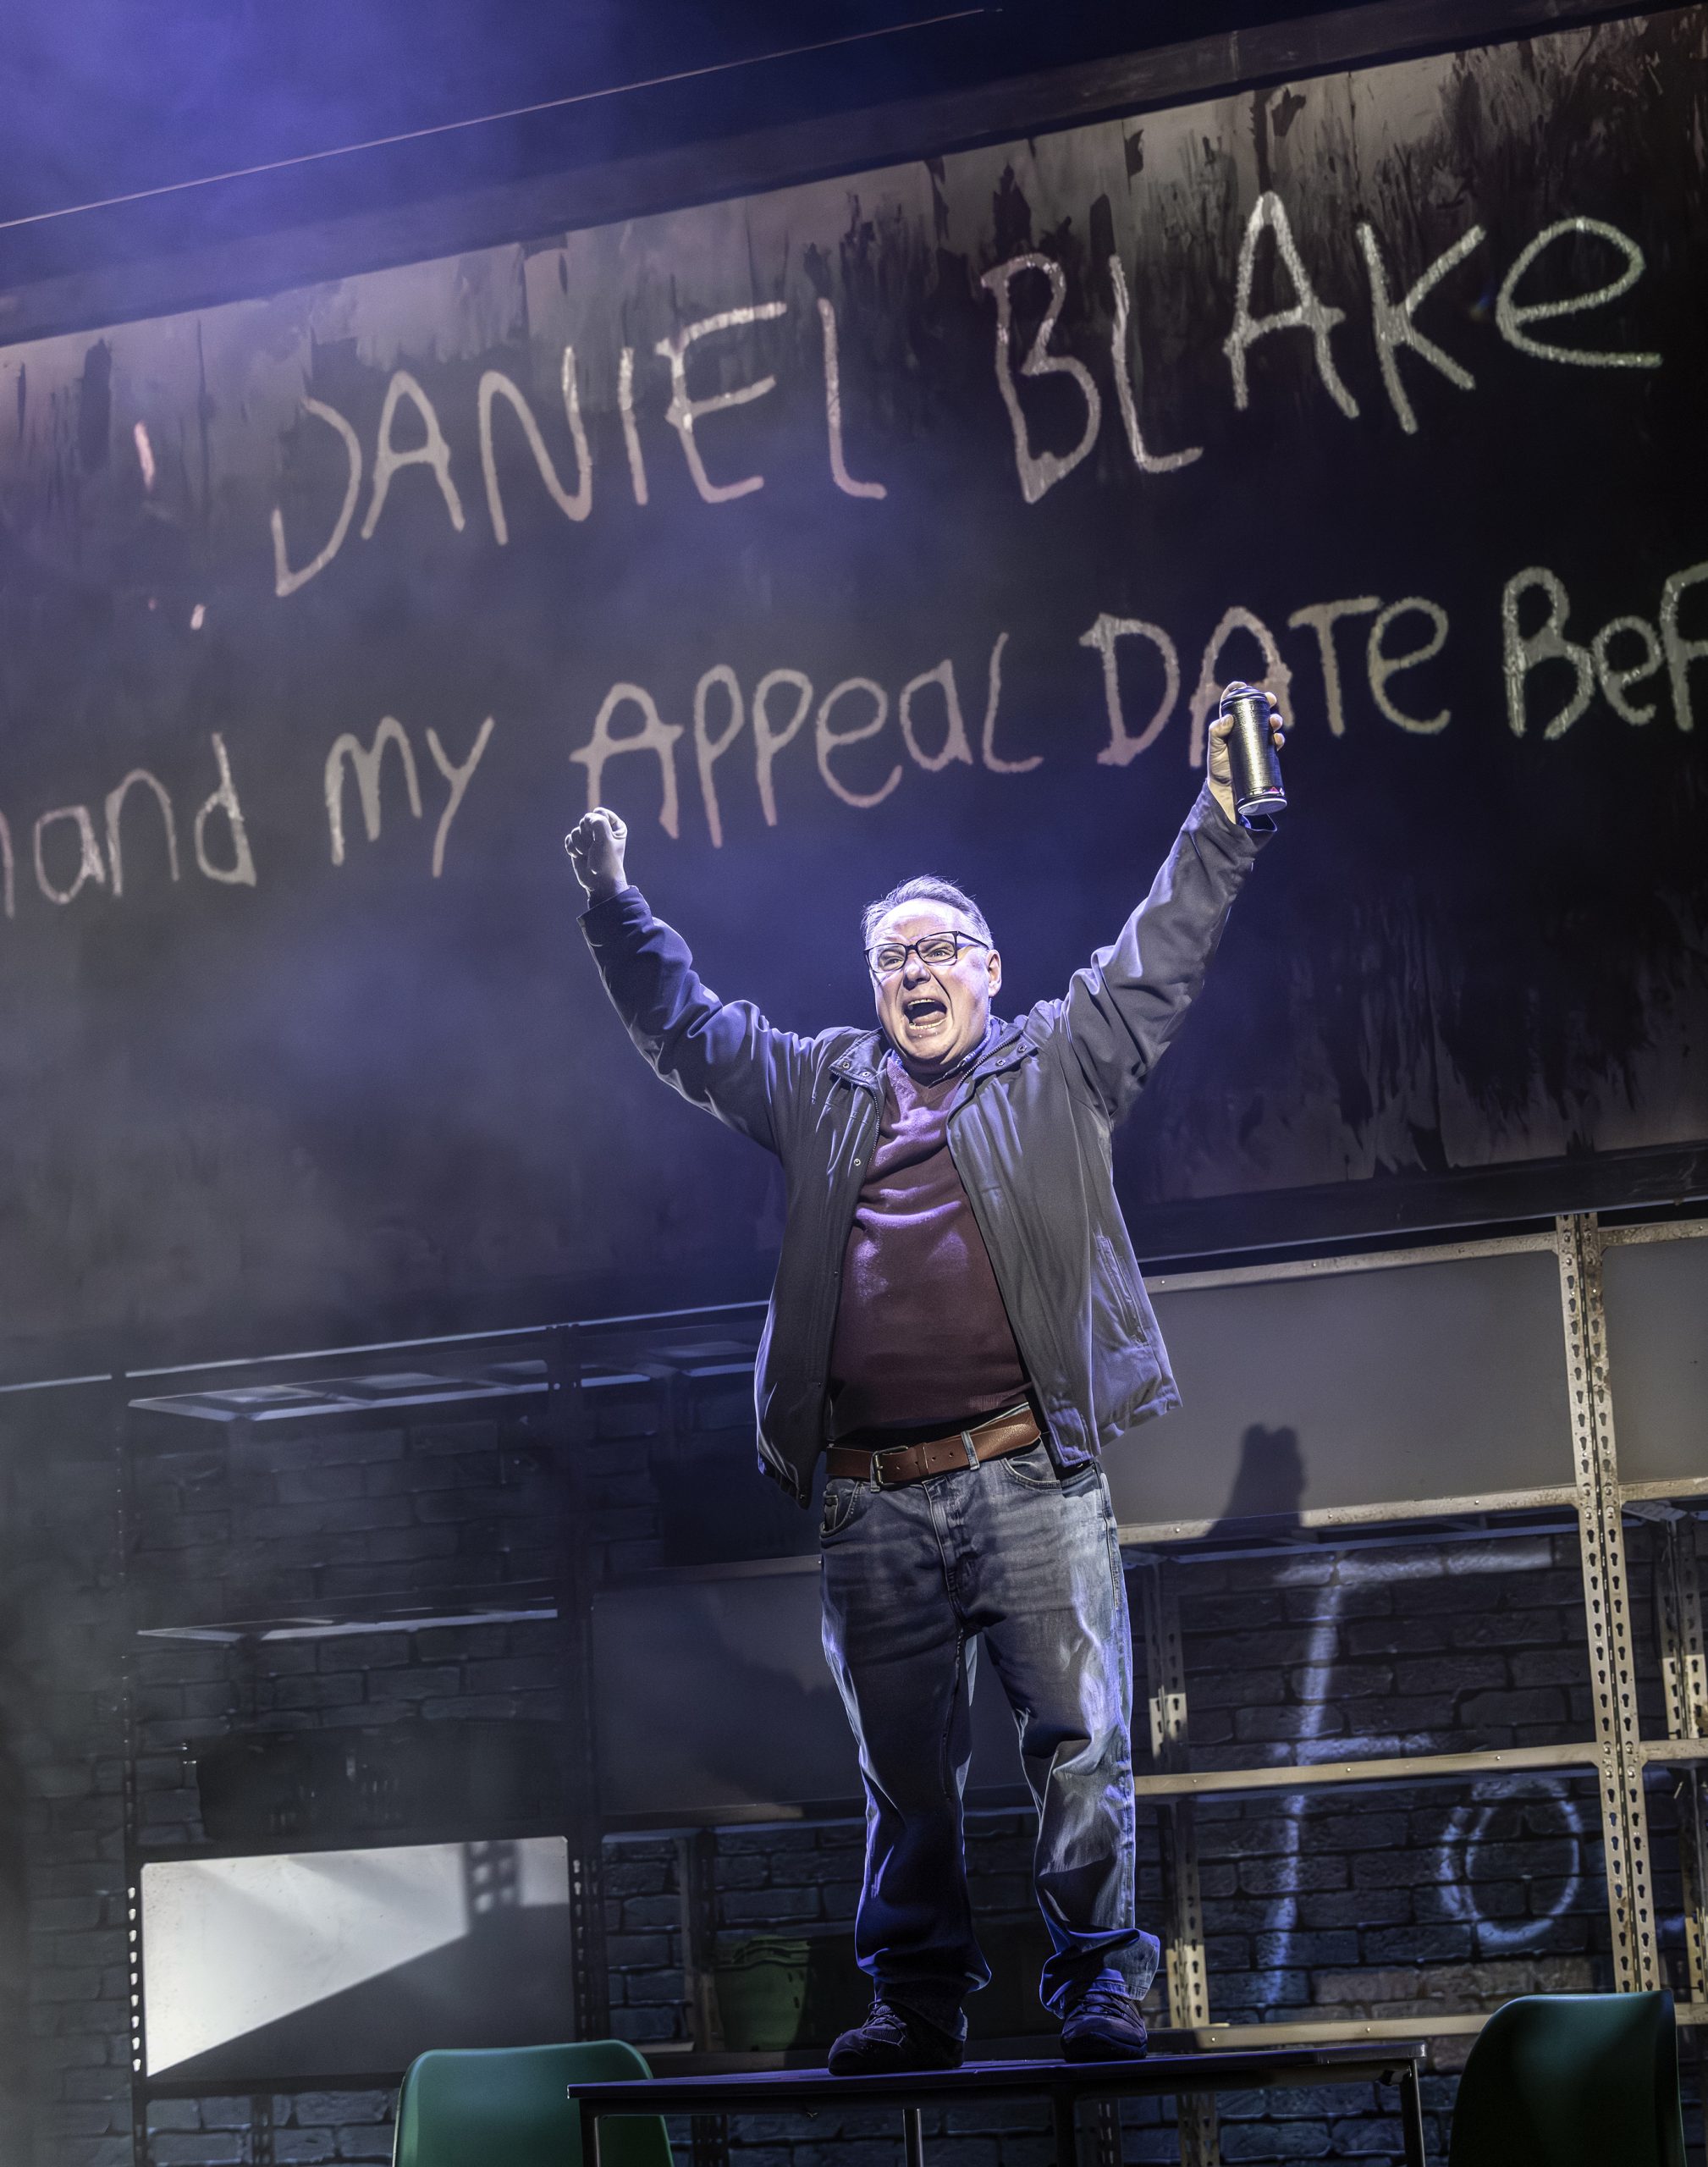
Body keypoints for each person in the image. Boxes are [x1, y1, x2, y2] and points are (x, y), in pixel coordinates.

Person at [566, 689, 1285, 2071]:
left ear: (989, 967)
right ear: (873, 984)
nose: (914, 967)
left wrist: (1222, 814)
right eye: (891, 953)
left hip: (1028, 1473)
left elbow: (1159, 955)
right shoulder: (821, 1086)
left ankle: (1095, 1993)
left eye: (939, 946)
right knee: (905, 1782)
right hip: (870, 1499)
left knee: (1079, 1748)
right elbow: (688, 1030)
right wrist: (614, 907)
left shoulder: (1060, 1064)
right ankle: (915, 2005)